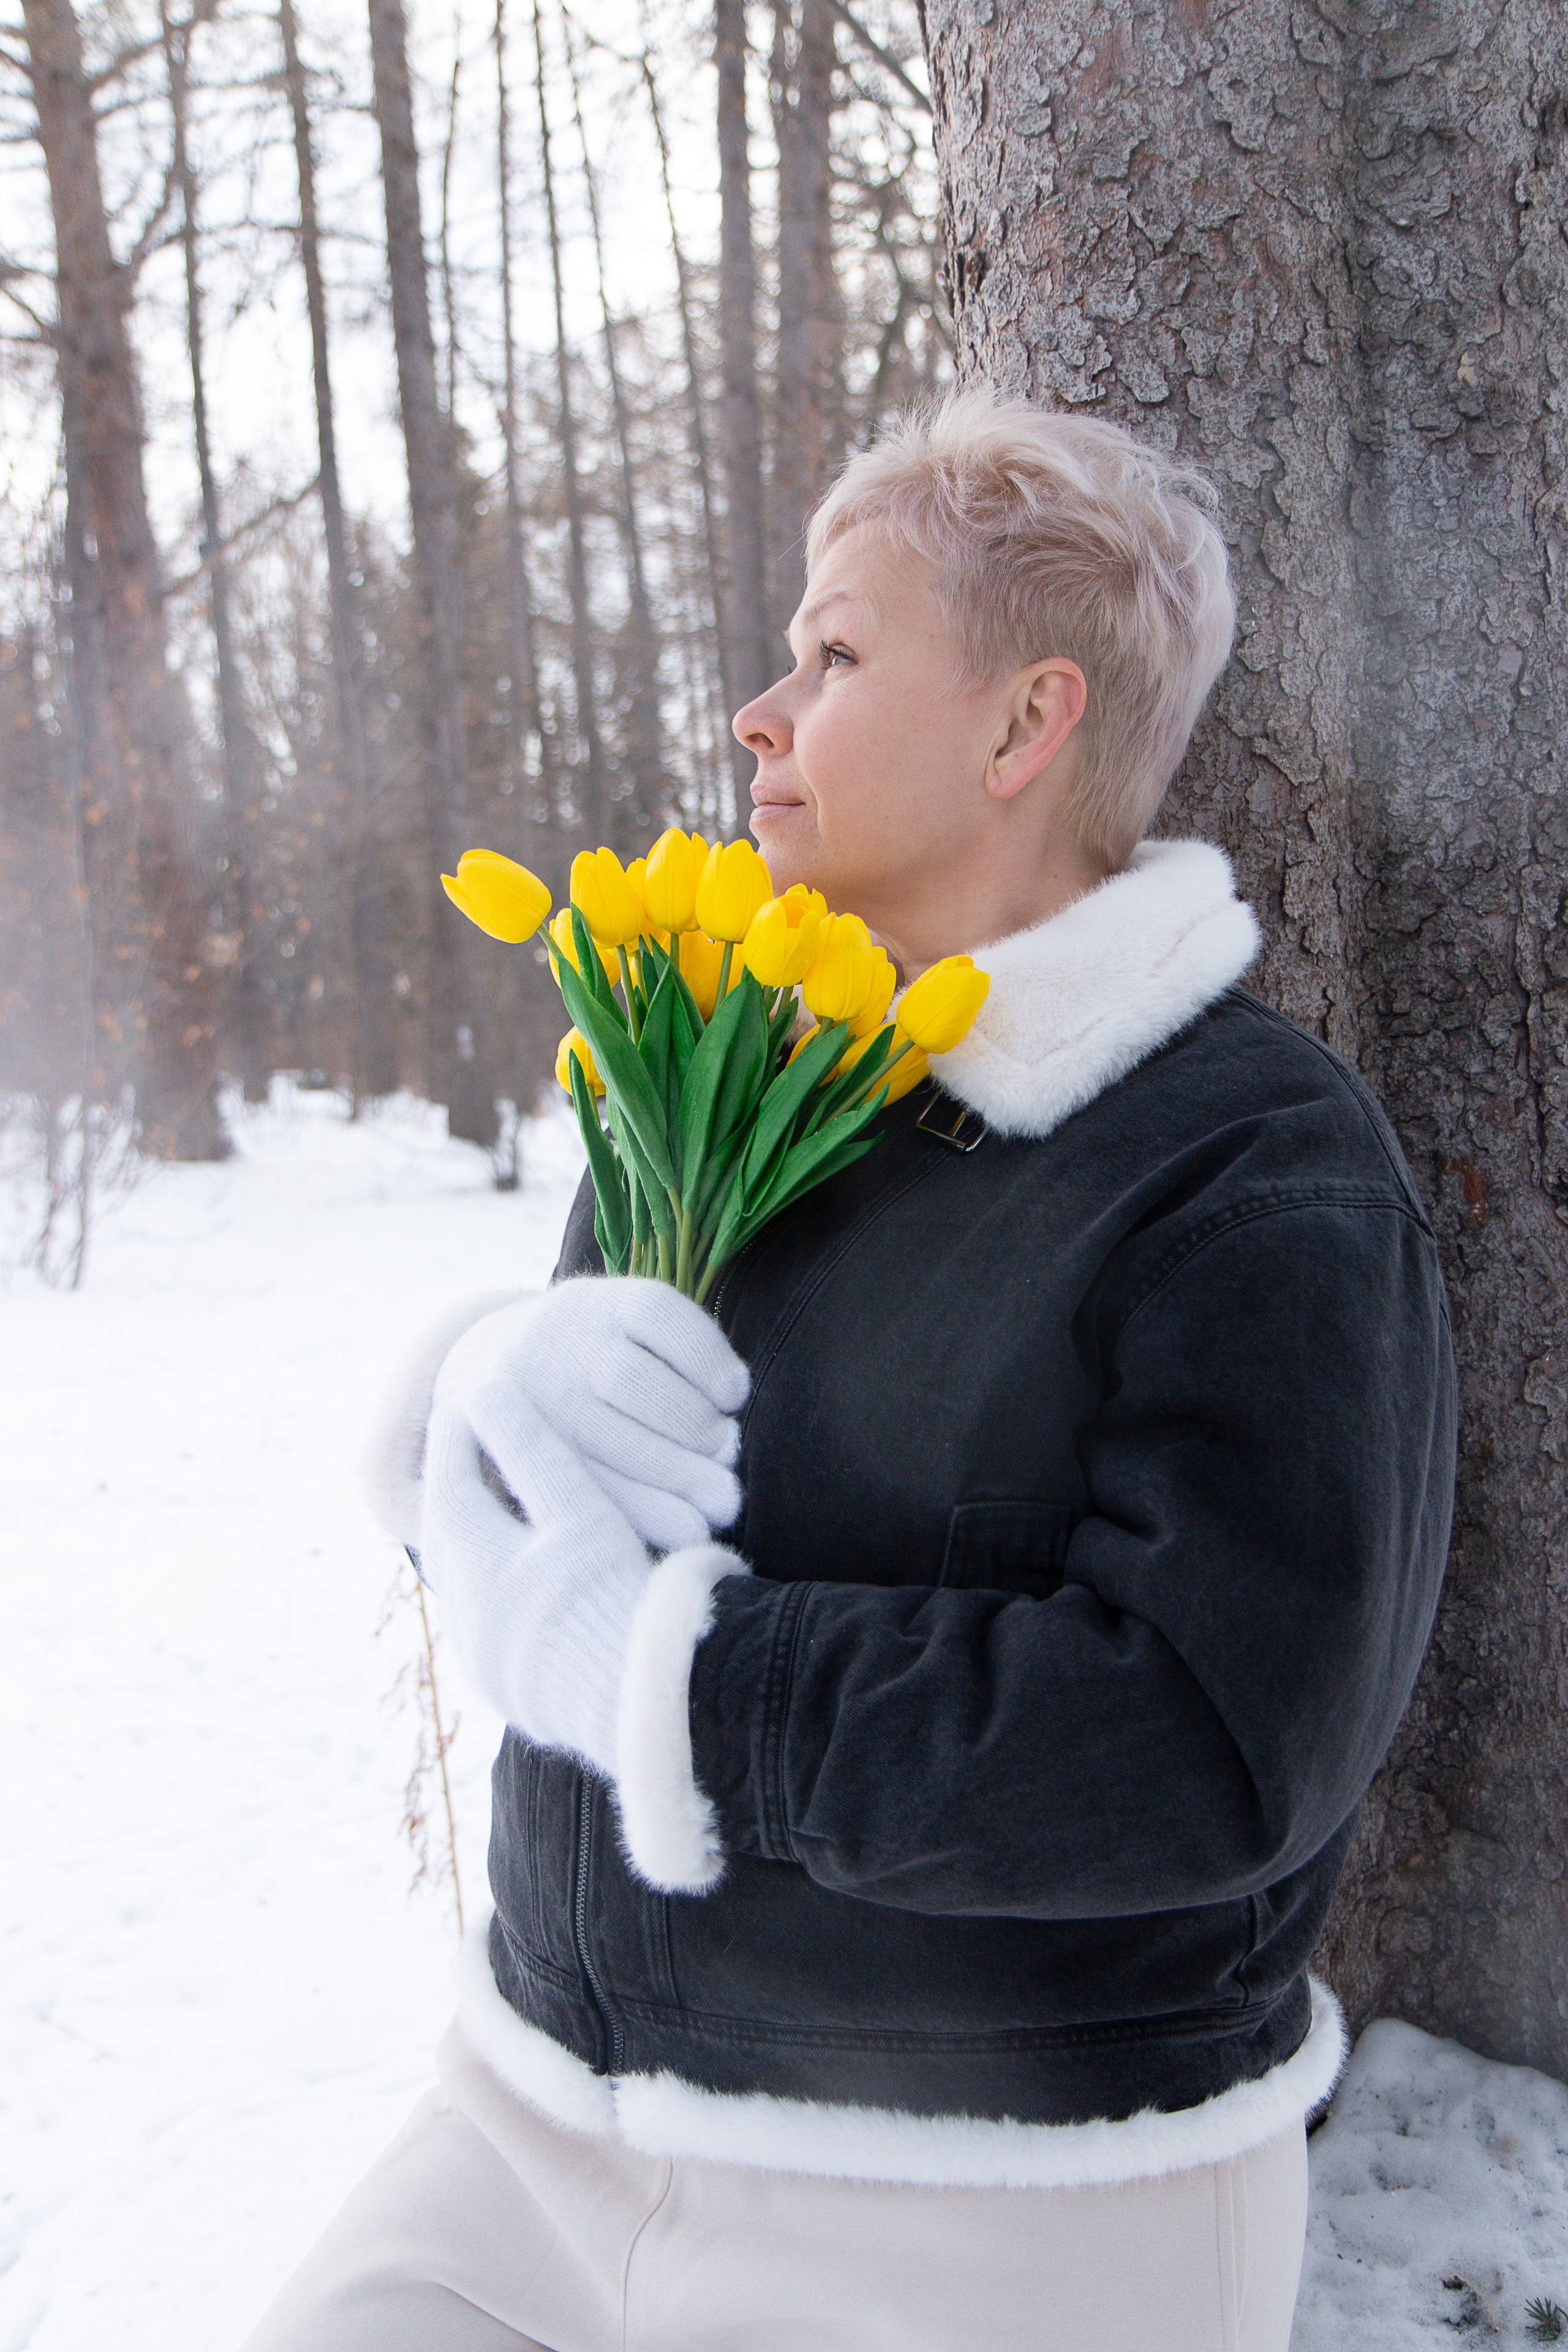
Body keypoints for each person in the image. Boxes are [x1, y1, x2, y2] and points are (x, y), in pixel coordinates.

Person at [243, 389, 1455, 2352]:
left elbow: (1214, 1744)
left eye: (832, 656)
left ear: (1023, 724)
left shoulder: (1257, 1171)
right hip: (528, 2129)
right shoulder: (721, 1070)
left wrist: (677, 1684)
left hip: (990, 2214)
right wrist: (478, 1411)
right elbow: (560, 1557)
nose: (760, 713)